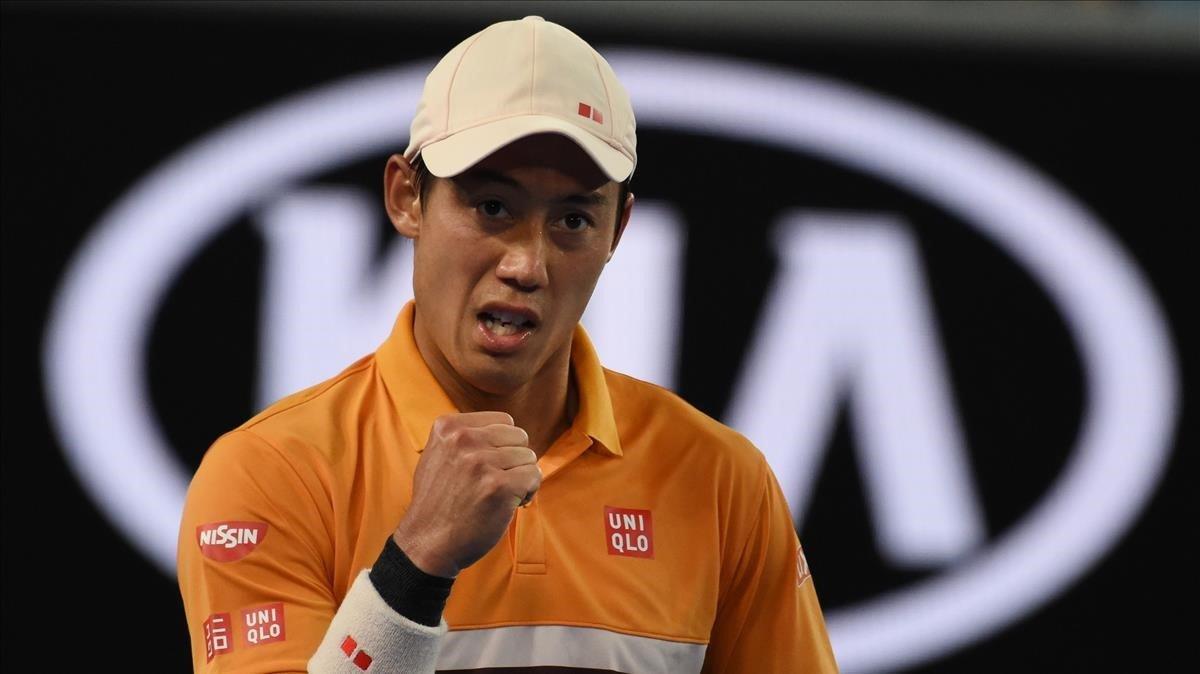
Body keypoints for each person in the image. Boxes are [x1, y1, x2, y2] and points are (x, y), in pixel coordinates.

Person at [178, 15, 838, 674]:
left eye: (573, 220)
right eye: (493, 207)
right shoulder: (273, 475)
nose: (527, 264)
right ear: (407, 197)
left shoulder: (724, 482)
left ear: (618, 231)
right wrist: (418, 562)